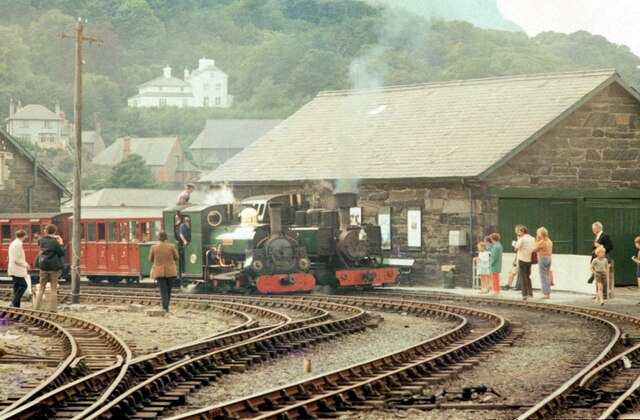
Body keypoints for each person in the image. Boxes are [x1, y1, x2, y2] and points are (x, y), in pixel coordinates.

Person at [33, 224, 65, 312]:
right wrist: (61, 243)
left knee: (41, 288)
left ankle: (36, 307)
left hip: (43, 267)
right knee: (53, 289)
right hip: (53, 268)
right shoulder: (55, 242)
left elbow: (40, 244)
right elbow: (61, 253)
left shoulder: (41, 240)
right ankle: (53, 309)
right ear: (54, 232)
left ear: (46, 231)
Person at [149, 230, 179, 312]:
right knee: (169, 290)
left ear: (158, 238)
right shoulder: (171, 246)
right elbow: (177, 257)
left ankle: (165, 307)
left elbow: (150, 259)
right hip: (170, 271)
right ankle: (166, 307)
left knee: (163, 291)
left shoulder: (154, 247)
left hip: (159, 272)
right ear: (166, 237)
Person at [588, 222, 614, 299]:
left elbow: (610, 246)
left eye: (594, 228)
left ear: (599, 228)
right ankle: (598, 294)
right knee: (597, 277)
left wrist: (600, 246)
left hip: (602, 259)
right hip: (596, 258)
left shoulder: (605, 236)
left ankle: (604, 294)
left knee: (603, 277)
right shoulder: (596, 236)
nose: (593, 230)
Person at [8, 229, 30, 308]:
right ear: (24, 236)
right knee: (23, 285)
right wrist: (26, 264)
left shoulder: (14, 243)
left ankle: (16, 306)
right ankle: (14, 303)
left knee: (17, 286)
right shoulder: (18, 244)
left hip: (14, 268)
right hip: (16, 269)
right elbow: (16, 259)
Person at [514, 225, 535, 300]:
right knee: (528, 276)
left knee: (523, 277)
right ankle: (530, 293)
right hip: (529, 259)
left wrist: (517, 241)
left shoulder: (522, 239)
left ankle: (524, 294)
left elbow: (516, 249)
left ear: (522, 231)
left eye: (519, 231)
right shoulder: (533, 238)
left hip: (522, 259)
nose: (518, 233)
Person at [534, 227, 553, 299]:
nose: (537, 234)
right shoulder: (549, 241)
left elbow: (534, 249)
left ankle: (545, 293)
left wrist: (537, 240)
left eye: (538, 233)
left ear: (540, 234)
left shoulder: (541, 242)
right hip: (549, 258)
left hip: (542, 258)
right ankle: (548, 293)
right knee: (547, 276)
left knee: (543, 277)